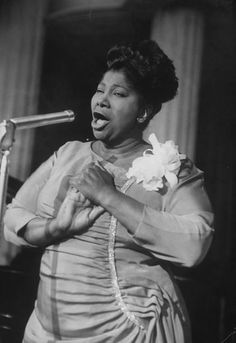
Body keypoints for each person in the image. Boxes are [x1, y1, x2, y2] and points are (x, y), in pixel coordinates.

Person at [4, 40, 214, 343]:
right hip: (46, 330)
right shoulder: (68, 153)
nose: (102, 100)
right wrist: (55, 228)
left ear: (144, 111)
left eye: (118, 94)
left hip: (124, 331)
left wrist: (109, 195)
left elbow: (195, 244)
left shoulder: (169, 167)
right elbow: (13, 217)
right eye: (100, 89)